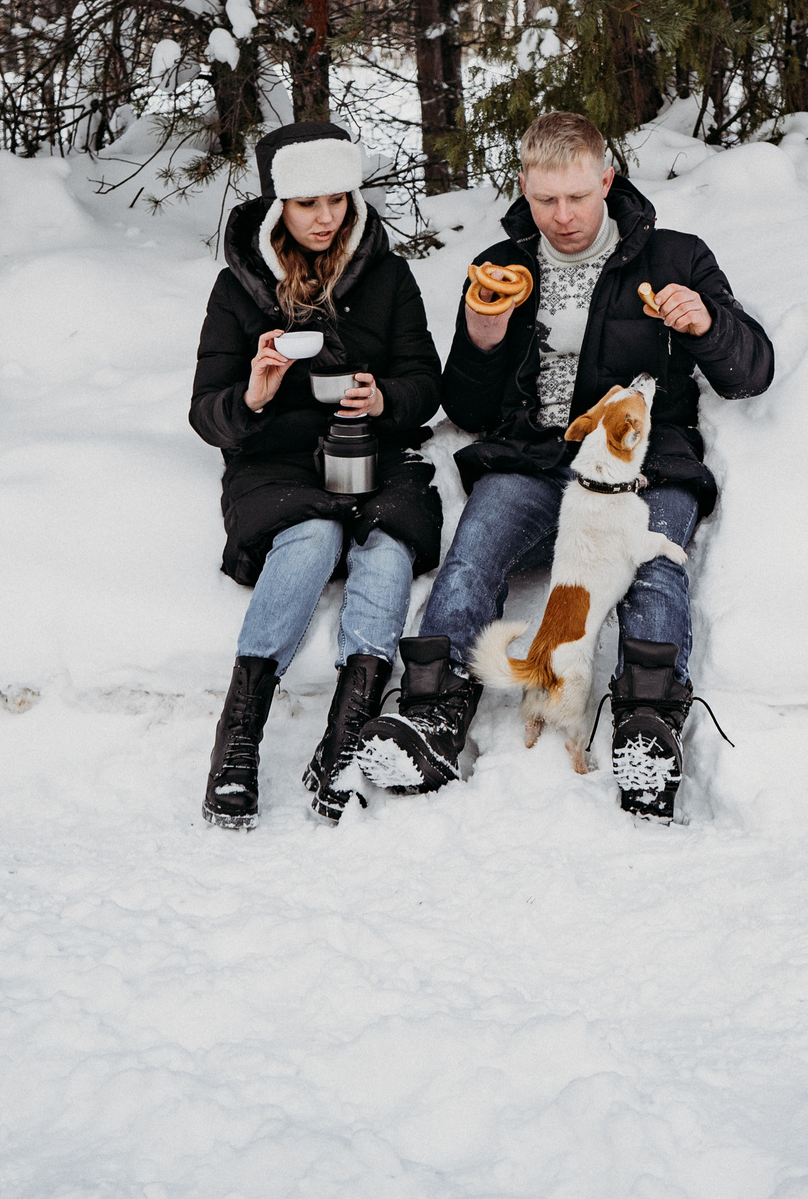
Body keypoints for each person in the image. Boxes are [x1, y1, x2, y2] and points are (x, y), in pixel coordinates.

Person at [355, 111, 774, 821]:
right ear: (525, 187)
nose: (563, 215)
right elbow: (467, 404)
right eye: (546, 199)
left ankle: (649, 728)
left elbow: (750, 373)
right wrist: (484, 338)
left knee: (657, 568)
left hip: (640, 468)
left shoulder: (673, 258)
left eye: (578, 197)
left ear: (606, 180)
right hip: (534, 457)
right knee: (473, 551)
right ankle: (431, 715)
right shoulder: (503, 264)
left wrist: (706, 323)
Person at [188, 122, 444, 830]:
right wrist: (255, 394)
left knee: (389, 542)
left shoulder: (387, 275)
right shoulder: (238, 288)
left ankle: (348, 734)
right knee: (311, 533)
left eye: (337, 199)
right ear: (278, 209)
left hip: (375, 448)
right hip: (273, 459)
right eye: (307, 204)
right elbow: (206, 413)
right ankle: (237, 737)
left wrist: (387, 398)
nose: (325, 217)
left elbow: (426, 379)